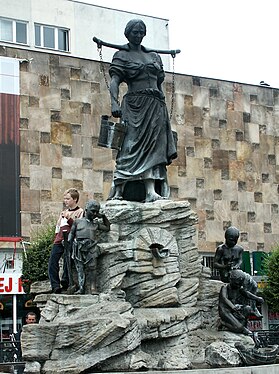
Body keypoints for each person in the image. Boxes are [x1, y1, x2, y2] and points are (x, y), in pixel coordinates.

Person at [108, 19, 177, 203]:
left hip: (155, 107)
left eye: (141, 32)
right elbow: (115, 81)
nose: (138, 35)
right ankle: (119, 190)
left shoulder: (154, 56)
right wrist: (114, 103)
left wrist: (163, 111)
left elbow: (160, 85)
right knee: (130, 147)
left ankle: (150, 191)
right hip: (134, 106)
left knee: (154, 148)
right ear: (127, 33)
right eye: (134, 32)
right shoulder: (121, 55)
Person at [68, 200, 110, 294]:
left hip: (91, 248)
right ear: (86, 209)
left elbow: (107, 228)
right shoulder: (77, 221)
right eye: (93, 211)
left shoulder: (95, 224)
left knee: (93, 268)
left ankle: (93, 288)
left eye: (96, 212)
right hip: (78, 247)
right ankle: (81, 288)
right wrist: (67, 242)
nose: (95, 214)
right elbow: (71, 233)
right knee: (80, 268)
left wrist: (103, 216)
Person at [48, 188, 83, 293]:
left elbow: (79, 227)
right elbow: (58, 227)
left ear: (75, 199)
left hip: (70, 239)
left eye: (68, 199)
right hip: (60, 239)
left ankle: (65, 282)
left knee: (68, 261)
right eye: (65, 199)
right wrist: (56, 238)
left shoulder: (80, 212)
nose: (65, 201)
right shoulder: (63, 212)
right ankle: (55, 285)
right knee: (52, 262)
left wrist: (69, 219)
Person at [218, 269, 264, 335]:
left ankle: (243, 327)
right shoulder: (225, 287)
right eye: (237, 284)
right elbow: (225, 299)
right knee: (239, 327)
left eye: (240, 284)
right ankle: (223, 323)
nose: (238, 286)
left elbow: (247, 294)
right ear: (231, 280)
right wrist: (233, 307)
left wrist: (257, 298)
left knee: (248, 309)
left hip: (235, 310)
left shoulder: (238, 288)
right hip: (226, 311)